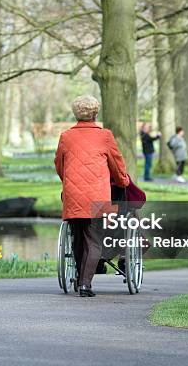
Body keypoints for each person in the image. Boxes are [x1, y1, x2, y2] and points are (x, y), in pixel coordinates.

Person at [54, 95, 129, 297]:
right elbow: (117, 164)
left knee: (78, 239)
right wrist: (123, 182)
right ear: (96, 113)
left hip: (73, 195)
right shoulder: (105, 136)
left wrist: (69, 181)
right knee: (94, 241)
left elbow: (59, 166)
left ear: (75, 113)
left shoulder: (66, 136)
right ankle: (85, 285)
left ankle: (79, 280)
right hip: (98, 197)